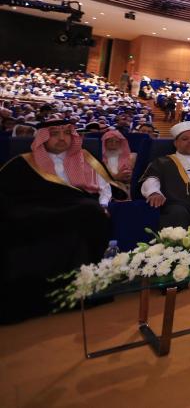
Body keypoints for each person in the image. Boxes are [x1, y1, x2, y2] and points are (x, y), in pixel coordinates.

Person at [0, 118, 119, 323]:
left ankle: (83, 290)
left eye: (66, 133)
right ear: (43, 138)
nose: (62, 138)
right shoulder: (23, 163)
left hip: (80, 215)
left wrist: (103, 204)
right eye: (55, 134)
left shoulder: (85, 158)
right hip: (38, 216)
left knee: (91, 213)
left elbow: (105, 188)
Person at [100, 129, 135, 194]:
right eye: (110, 141)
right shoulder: (98, 157)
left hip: (124, 185)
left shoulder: (131, 157)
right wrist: (116, 177)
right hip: (104, 185)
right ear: (105, 142)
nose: (114, 143)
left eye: (117, 141)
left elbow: (132, 177)